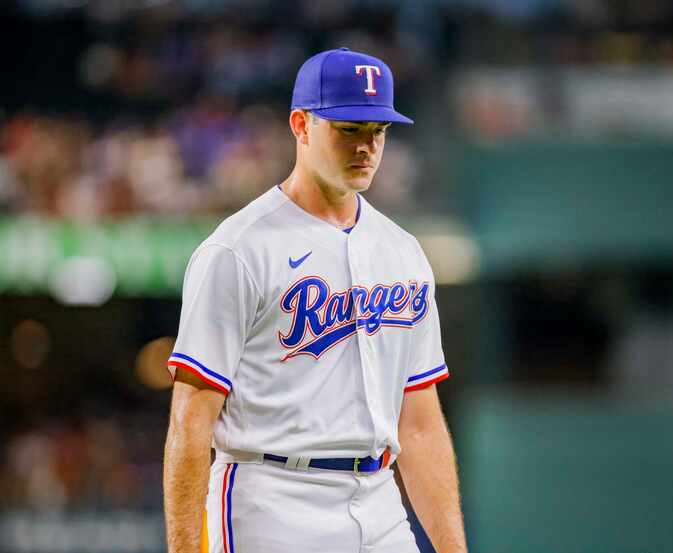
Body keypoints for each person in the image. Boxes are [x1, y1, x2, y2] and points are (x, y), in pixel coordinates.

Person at [163, 47, 468, 553]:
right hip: (272, 500)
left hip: (379, 501)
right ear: (301, 125)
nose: (367, 146)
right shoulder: (237, 250)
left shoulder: (404, 252)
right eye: (349, 129)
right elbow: (191, 419)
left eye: (379, 131)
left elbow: (419, 423)